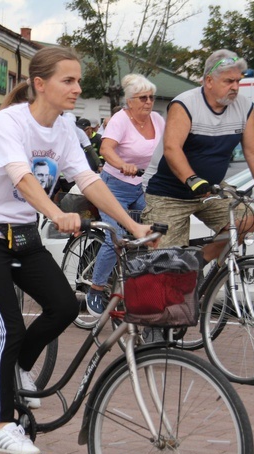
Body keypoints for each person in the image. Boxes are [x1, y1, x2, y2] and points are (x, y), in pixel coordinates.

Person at [0, 46, 152, 454]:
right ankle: (0, 425)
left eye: (78, 80)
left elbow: (88, 178)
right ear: (40, 84)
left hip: (23, 235)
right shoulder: (10, 120)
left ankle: (17, 368)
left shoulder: (63, 127)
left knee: (63, 306)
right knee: (9, 324)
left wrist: (133, 226)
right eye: (69, 80)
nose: (77, 88)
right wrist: (55, 213)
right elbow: (22, 177)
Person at [143, 49, 254, 261]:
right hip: (167, 192)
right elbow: (172, 148)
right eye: (229, 81)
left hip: (209, 189)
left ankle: (195, 266)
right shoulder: (185, 103)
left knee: (245, 220)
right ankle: (176, 273)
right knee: (165, 264)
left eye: (238, 81)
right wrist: (192, 180)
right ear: (208, 81)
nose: (235, 87)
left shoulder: (244, 106)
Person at [86, 74, 165, 317]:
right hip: (114, 186)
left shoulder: (158, 120)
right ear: (130, 101)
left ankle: (151, 286)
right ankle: (96, 290)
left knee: (159, 229)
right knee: (115, 238)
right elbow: (105, 149)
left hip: (143, 186)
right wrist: (122, 164)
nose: (148, 102)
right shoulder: (120, 120)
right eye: (143, 98)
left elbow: (170, 147)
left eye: (151, 97)